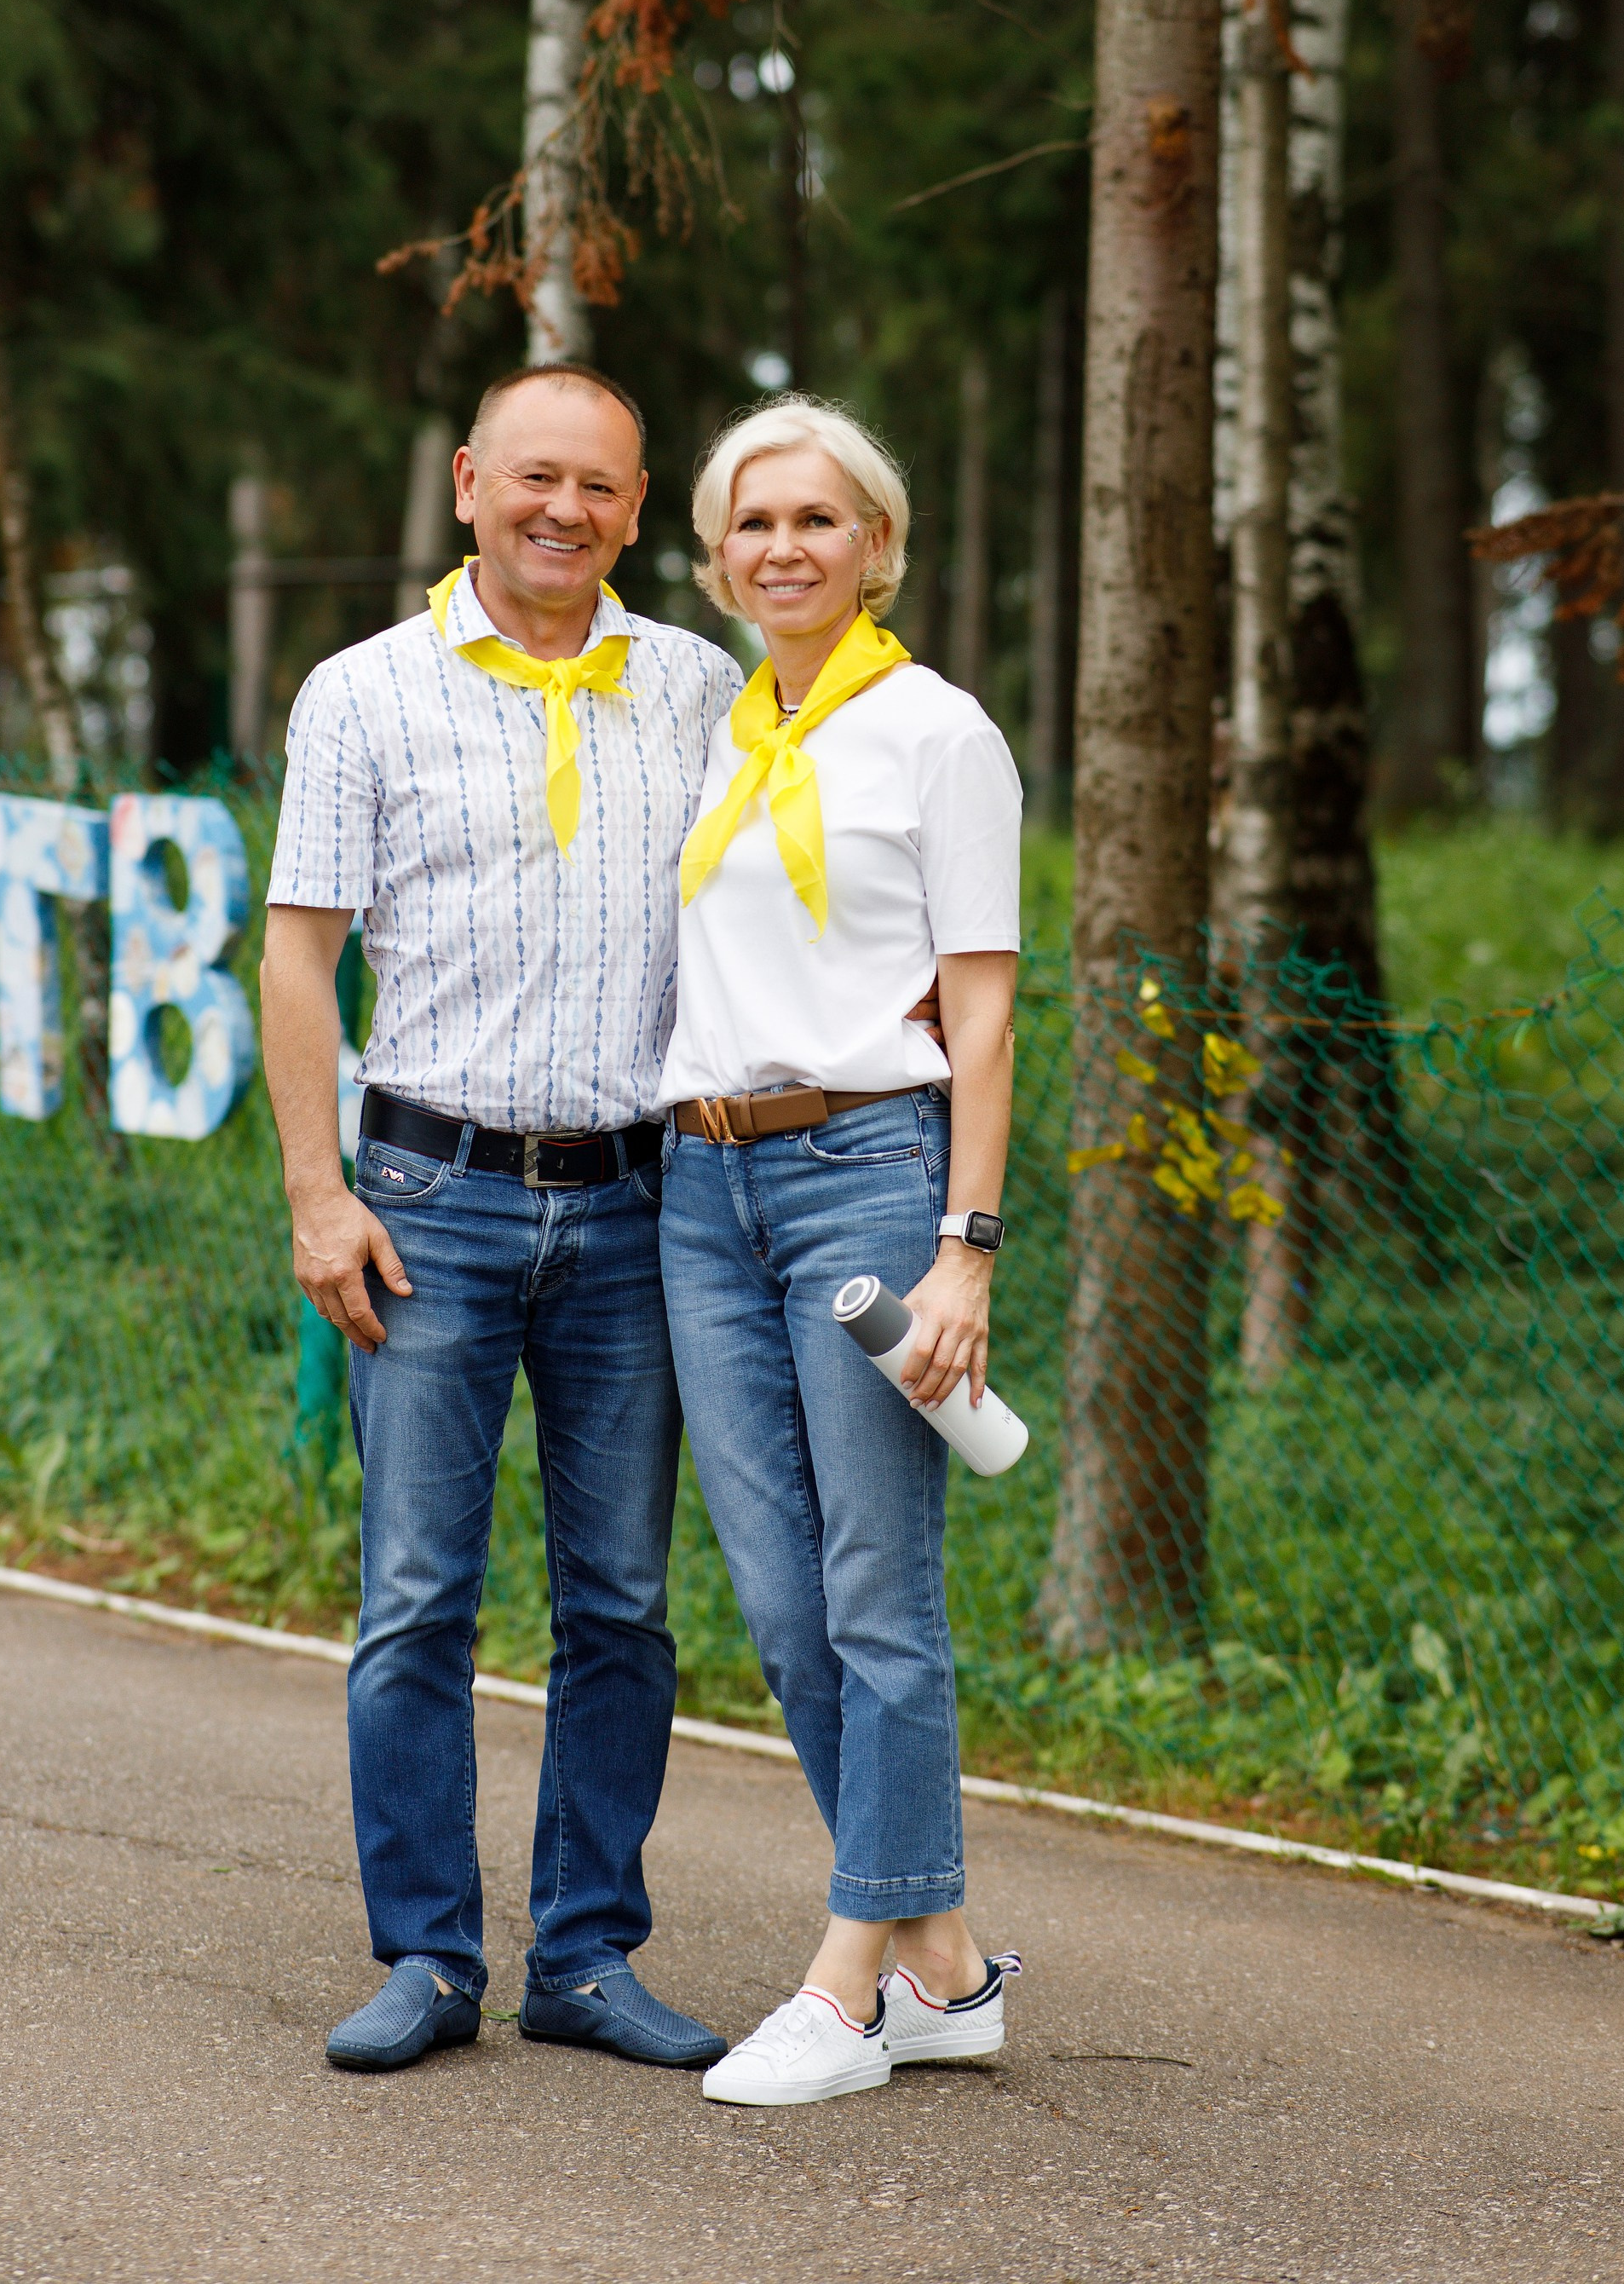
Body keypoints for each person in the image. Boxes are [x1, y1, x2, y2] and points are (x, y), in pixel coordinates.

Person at [261, 364, 743, 2075]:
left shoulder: (700, 689)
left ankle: (590, 1958)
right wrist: (319, 1193)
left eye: (600, 488)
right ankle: (427, 1959)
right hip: (426, 1200)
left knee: (621, 1602)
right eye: (534, 477)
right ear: (471, 483)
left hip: (636, 1204)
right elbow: (302, 958)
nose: (565, 510)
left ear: (634, 505)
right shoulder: (365, 695)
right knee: (416, 1599)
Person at [654, 395, 1022, 2108]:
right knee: (781, 1599)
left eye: (816, 519)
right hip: (702, 1193)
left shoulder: (938, 733)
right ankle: (944, 1961)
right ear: (718, 556)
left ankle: (848, 1986)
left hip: (871, 1178)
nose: (783, 547)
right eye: (752, 522)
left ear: (875, 542)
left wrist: (969, 1246)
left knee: (880, 1591)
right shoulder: (719, 736)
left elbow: (986, 1004)